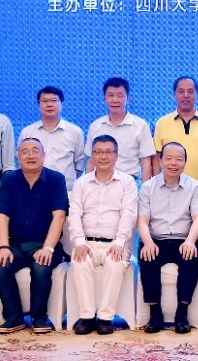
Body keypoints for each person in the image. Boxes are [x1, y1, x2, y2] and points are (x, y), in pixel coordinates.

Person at [0, 138, 69, 335]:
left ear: (44, 155)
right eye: (25, 152)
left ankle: (38, 317)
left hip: (45, 243)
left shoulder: (56, 179)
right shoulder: (9, 179)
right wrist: (3, 247)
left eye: (35, 151)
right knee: (0, 265)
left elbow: (59, 216)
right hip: (15, 244)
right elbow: (2, 216)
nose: (30, 155)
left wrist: (48, 248)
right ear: (18, 156)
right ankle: (14, 317)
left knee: (41, 266)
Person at [67, 135, 139, 335]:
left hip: (115, 242)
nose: (103, 156)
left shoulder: (127, 182)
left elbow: (129, 214)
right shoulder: (81, 183)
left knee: (115, 264)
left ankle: (106, 318)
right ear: (92, 156)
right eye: (98, 152)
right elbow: (74, 214)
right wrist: (79, 242)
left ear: (116, 156)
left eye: (108, 152)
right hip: (87, 242)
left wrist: (119, 242)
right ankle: (87, 317)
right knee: (80, 263)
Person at [137, 142, 198, 334]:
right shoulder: (148, 187)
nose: (173, 163)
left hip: (183, 239)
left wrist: (190, 241)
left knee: (189, 258)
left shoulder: (194, 187)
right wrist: (148, 242)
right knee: (147, 257)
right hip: (156, 239)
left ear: (185, 162)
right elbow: (142, 221)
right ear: (160, 161)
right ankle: (155, 314)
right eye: (168, 158)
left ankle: (182, 313)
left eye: (179, 159)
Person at [153, 76, 198, 187]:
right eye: (181, 91)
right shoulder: (162, 123)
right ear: (174, 95)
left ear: (196, 94)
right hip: (169, 191)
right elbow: (156, 159)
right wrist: (157, 187)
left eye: (190, 91)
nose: (186, 95)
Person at [86, 77, 156, 183]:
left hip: (129, 183)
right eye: (110, 95)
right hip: (99, 183)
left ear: (128, 98)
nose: (115, 100)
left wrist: (145, 189)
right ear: (104, 98)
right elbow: (91, 161)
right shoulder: (95, 126)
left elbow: (146, 161)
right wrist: (88, 186)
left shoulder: (140, 125)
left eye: (120, 95)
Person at [19, 86, 86, 191]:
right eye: (45, 101)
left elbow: (80, 164)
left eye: (54, 100)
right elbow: (21, 162)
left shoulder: (75, 132)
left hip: (65, 191)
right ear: (39, 104)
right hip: (34, 190)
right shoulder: (27, 132)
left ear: (62, 103)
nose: (49, 104)